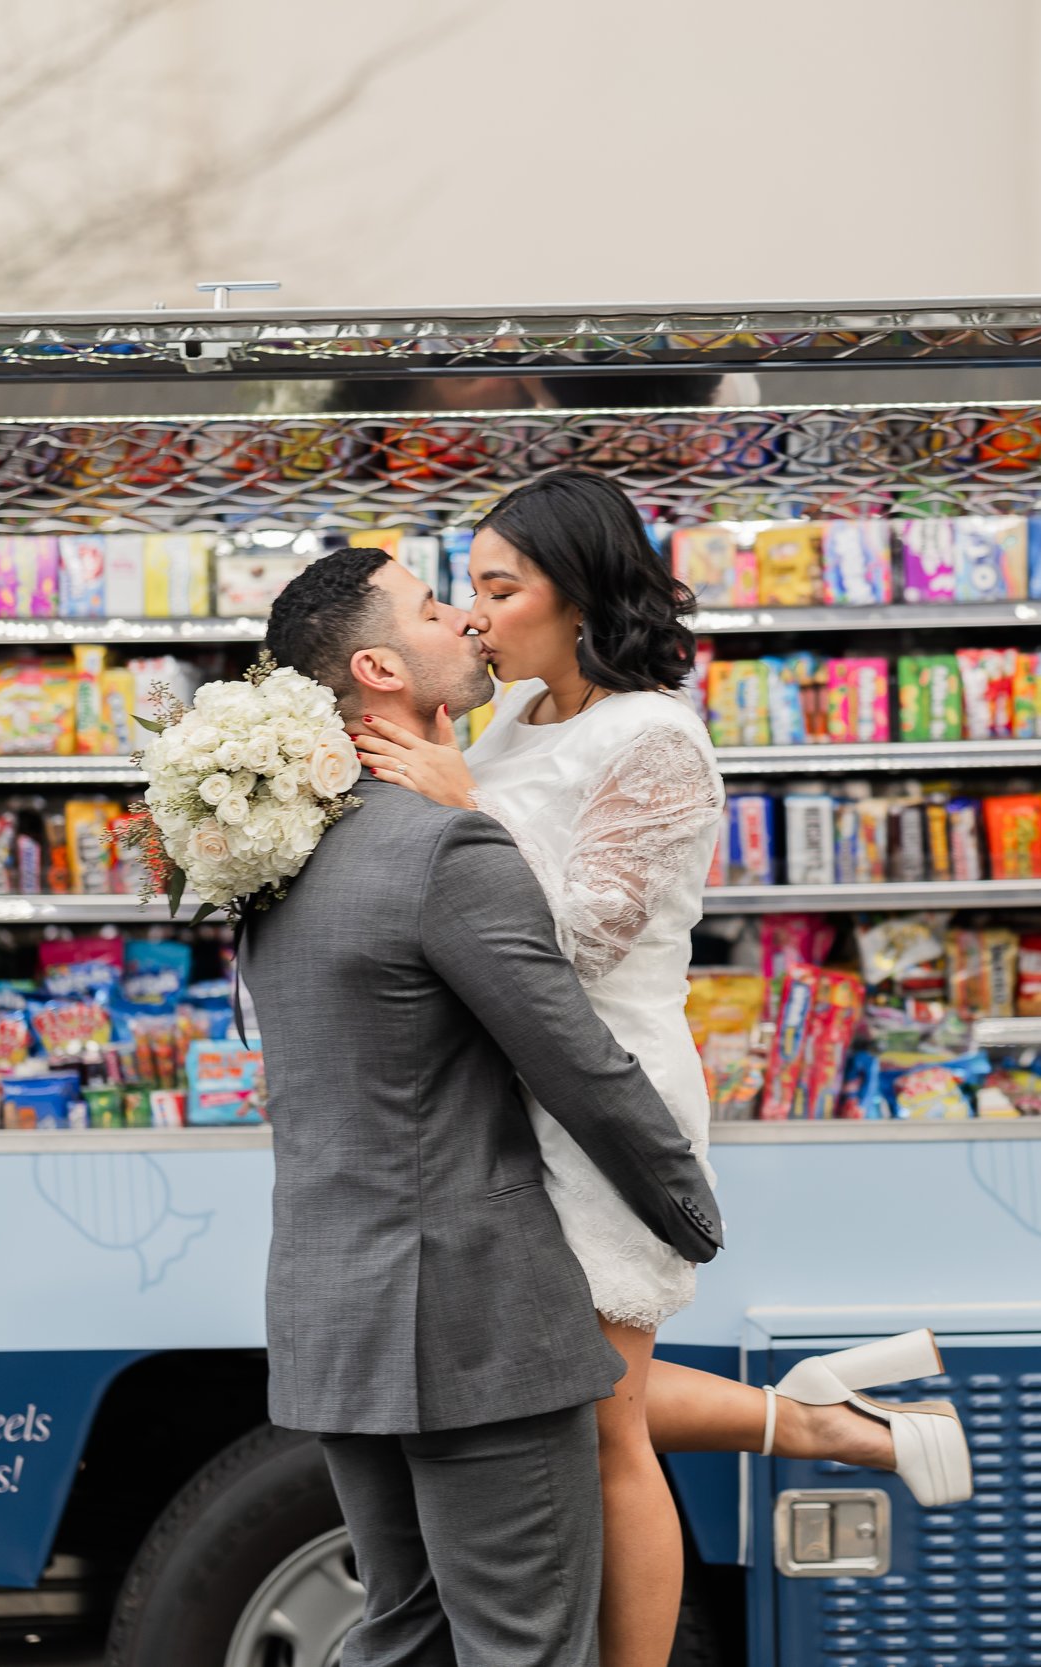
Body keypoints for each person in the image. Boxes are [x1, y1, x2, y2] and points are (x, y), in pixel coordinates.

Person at [352, 468, 973, 1667]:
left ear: (576, 594)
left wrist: (465, 804)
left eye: (499, 587)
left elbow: (582, 935)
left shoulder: (656, 738)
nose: (474, 614)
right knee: (563, 1393)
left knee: (600, 1422)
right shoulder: (510, 718)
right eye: (467, 588)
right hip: (501, 1093)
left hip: (600, 1089)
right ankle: (827, 1422)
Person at [243, 543, 724, 1667]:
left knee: (400, 1629)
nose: (464, 619)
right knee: (525, 1640)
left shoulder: (272, 849)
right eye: (434, 605)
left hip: (331, 1311)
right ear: (376, 666)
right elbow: (571, 1053)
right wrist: (685, 1204)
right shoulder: (444, 842)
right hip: (474, 1321)